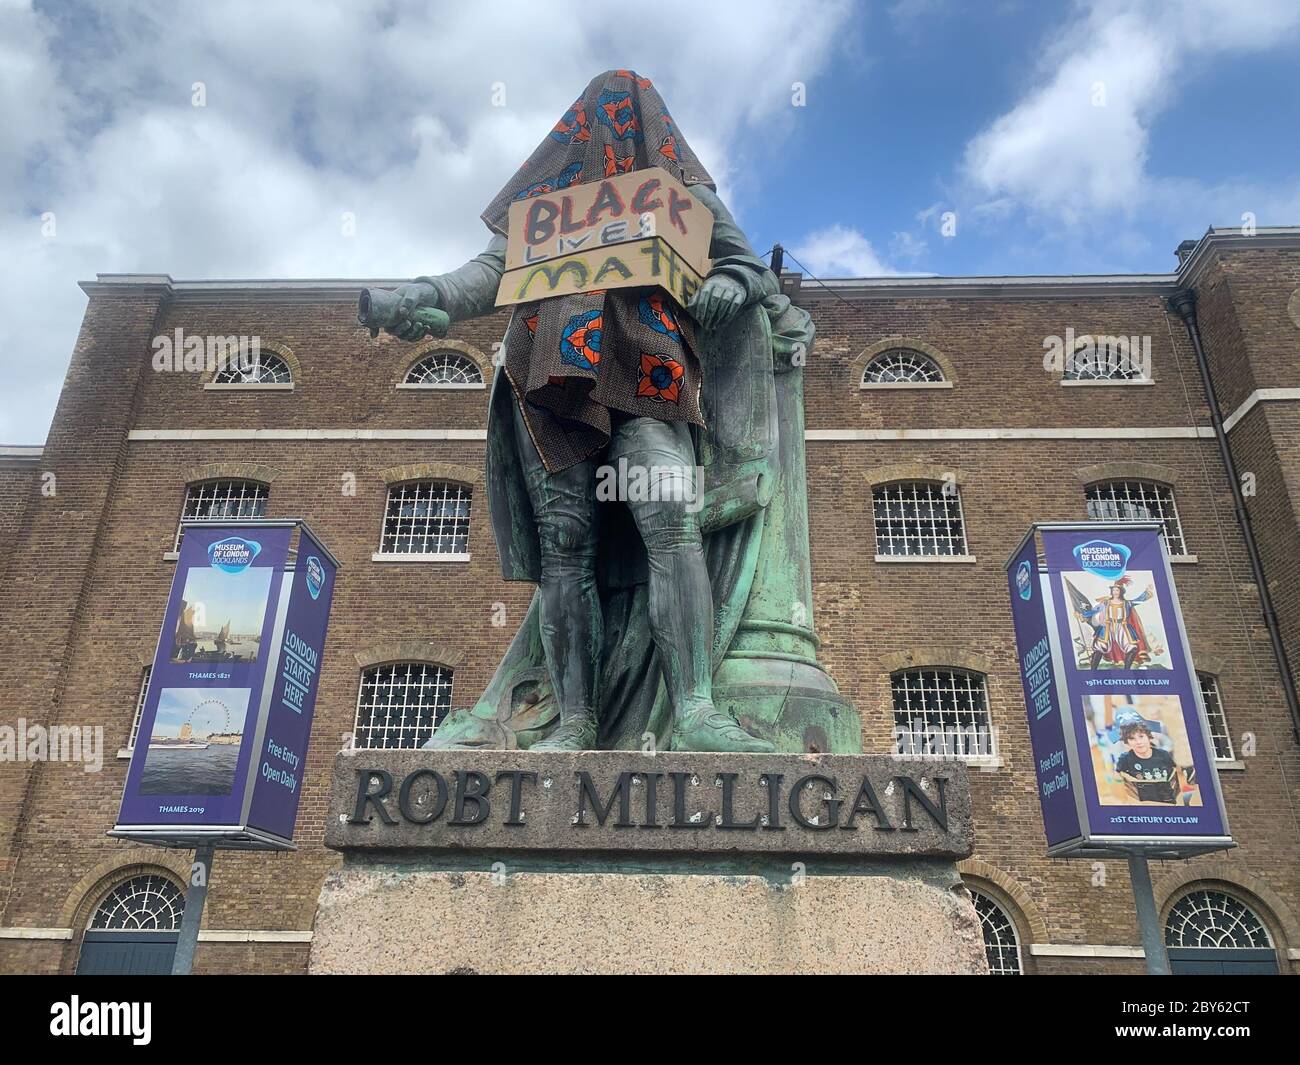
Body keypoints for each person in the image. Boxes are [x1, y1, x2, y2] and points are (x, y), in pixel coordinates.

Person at [385, 70, 775, 752]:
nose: (611, 126)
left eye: (626, 114)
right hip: (548, 375)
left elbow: (746, 266)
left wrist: (730, 283)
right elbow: (486, 274)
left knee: (671, 516)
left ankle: (695, 710)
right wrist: (428, 295)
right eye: (599, 116)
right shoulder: (544, 203)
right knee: (565, 549)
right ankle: (575, 722)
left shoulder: (678, 195)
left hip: (645, 366)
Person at [1077, 576, 1154, 670]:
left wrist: (1146, 593)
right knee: (1099, 648)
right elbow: (1094, 610)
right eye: (1114, 590)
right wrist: (1082, 615)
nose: (1115, 592)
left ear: (1121, 592)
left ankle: (1127, 671)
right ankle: (1093, 671)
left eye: (1117, 590)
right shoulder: (1106, 603)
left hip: (1122, 627)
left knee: (1132, 648)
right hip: (1107, 627)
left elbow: (1137, 600)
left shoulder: (1126, 603)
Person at [1114, 721, 1183, 804]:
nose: (1138, 742)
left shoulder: (1163, 754)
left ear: (1149, 737)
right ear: (1126, 743)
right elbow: (1118, 776)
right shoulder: (1125, 759)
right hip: (1143, 805)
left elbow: (1175, 774)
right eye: (1132, 739)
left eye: (1141, 736)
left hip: (1167, 802)